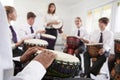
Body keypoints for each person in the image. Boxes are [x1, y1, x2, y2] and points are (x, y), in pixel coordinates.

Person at [0, 3, 56, 80]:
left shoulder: (13, 27)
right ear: (9, 15)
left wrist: (19, 60)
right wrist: (38, 66)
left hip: (16, 54)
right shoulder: (9, 28)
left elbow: (4, 66)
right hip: (15, 50)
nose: (17, 15)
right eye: (15, 12)